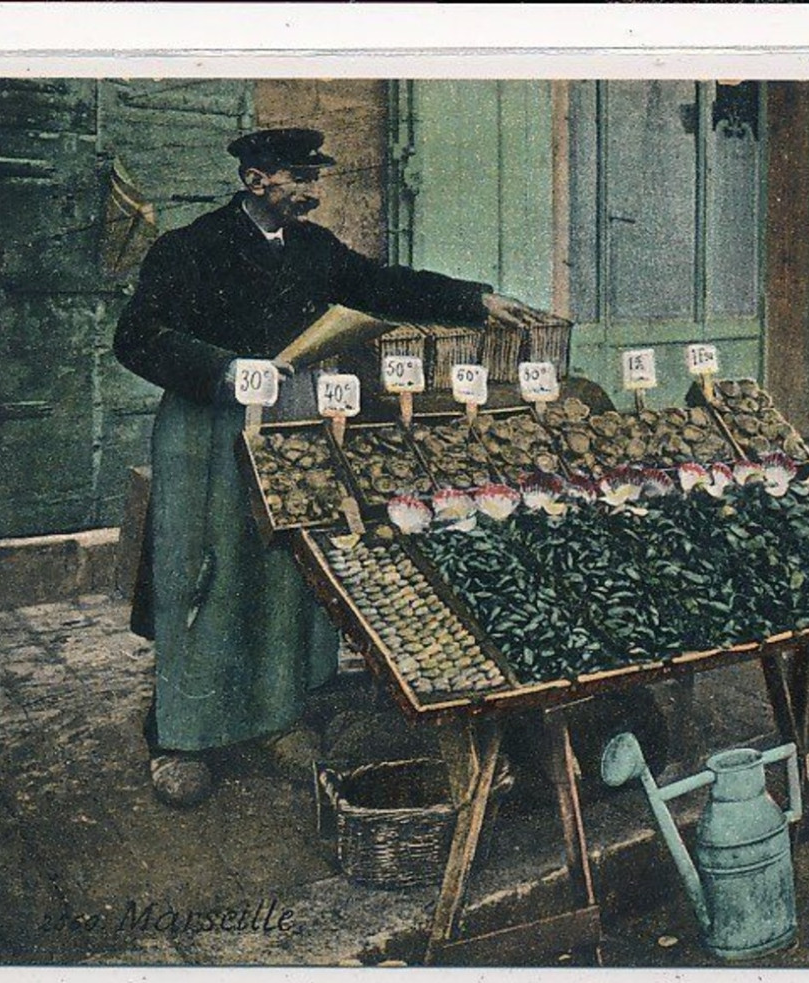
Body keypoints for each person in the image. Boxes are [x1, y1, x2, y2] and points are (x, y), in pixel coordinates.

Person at [115, 127, 532, 808]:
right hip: (209, 427)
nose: (312, 193)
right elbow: (136, 337)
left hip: (294, 419)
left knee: (285, 573)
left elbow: (382, 283)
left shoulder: (312, 249)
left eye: (316, 179)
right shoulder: (188, 248)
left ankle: (273, 720)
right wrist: (223, 367)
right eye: (299, 180)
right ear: (256, 180)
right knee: (201, 577)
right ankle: (181, 736)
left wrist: (474, 300)